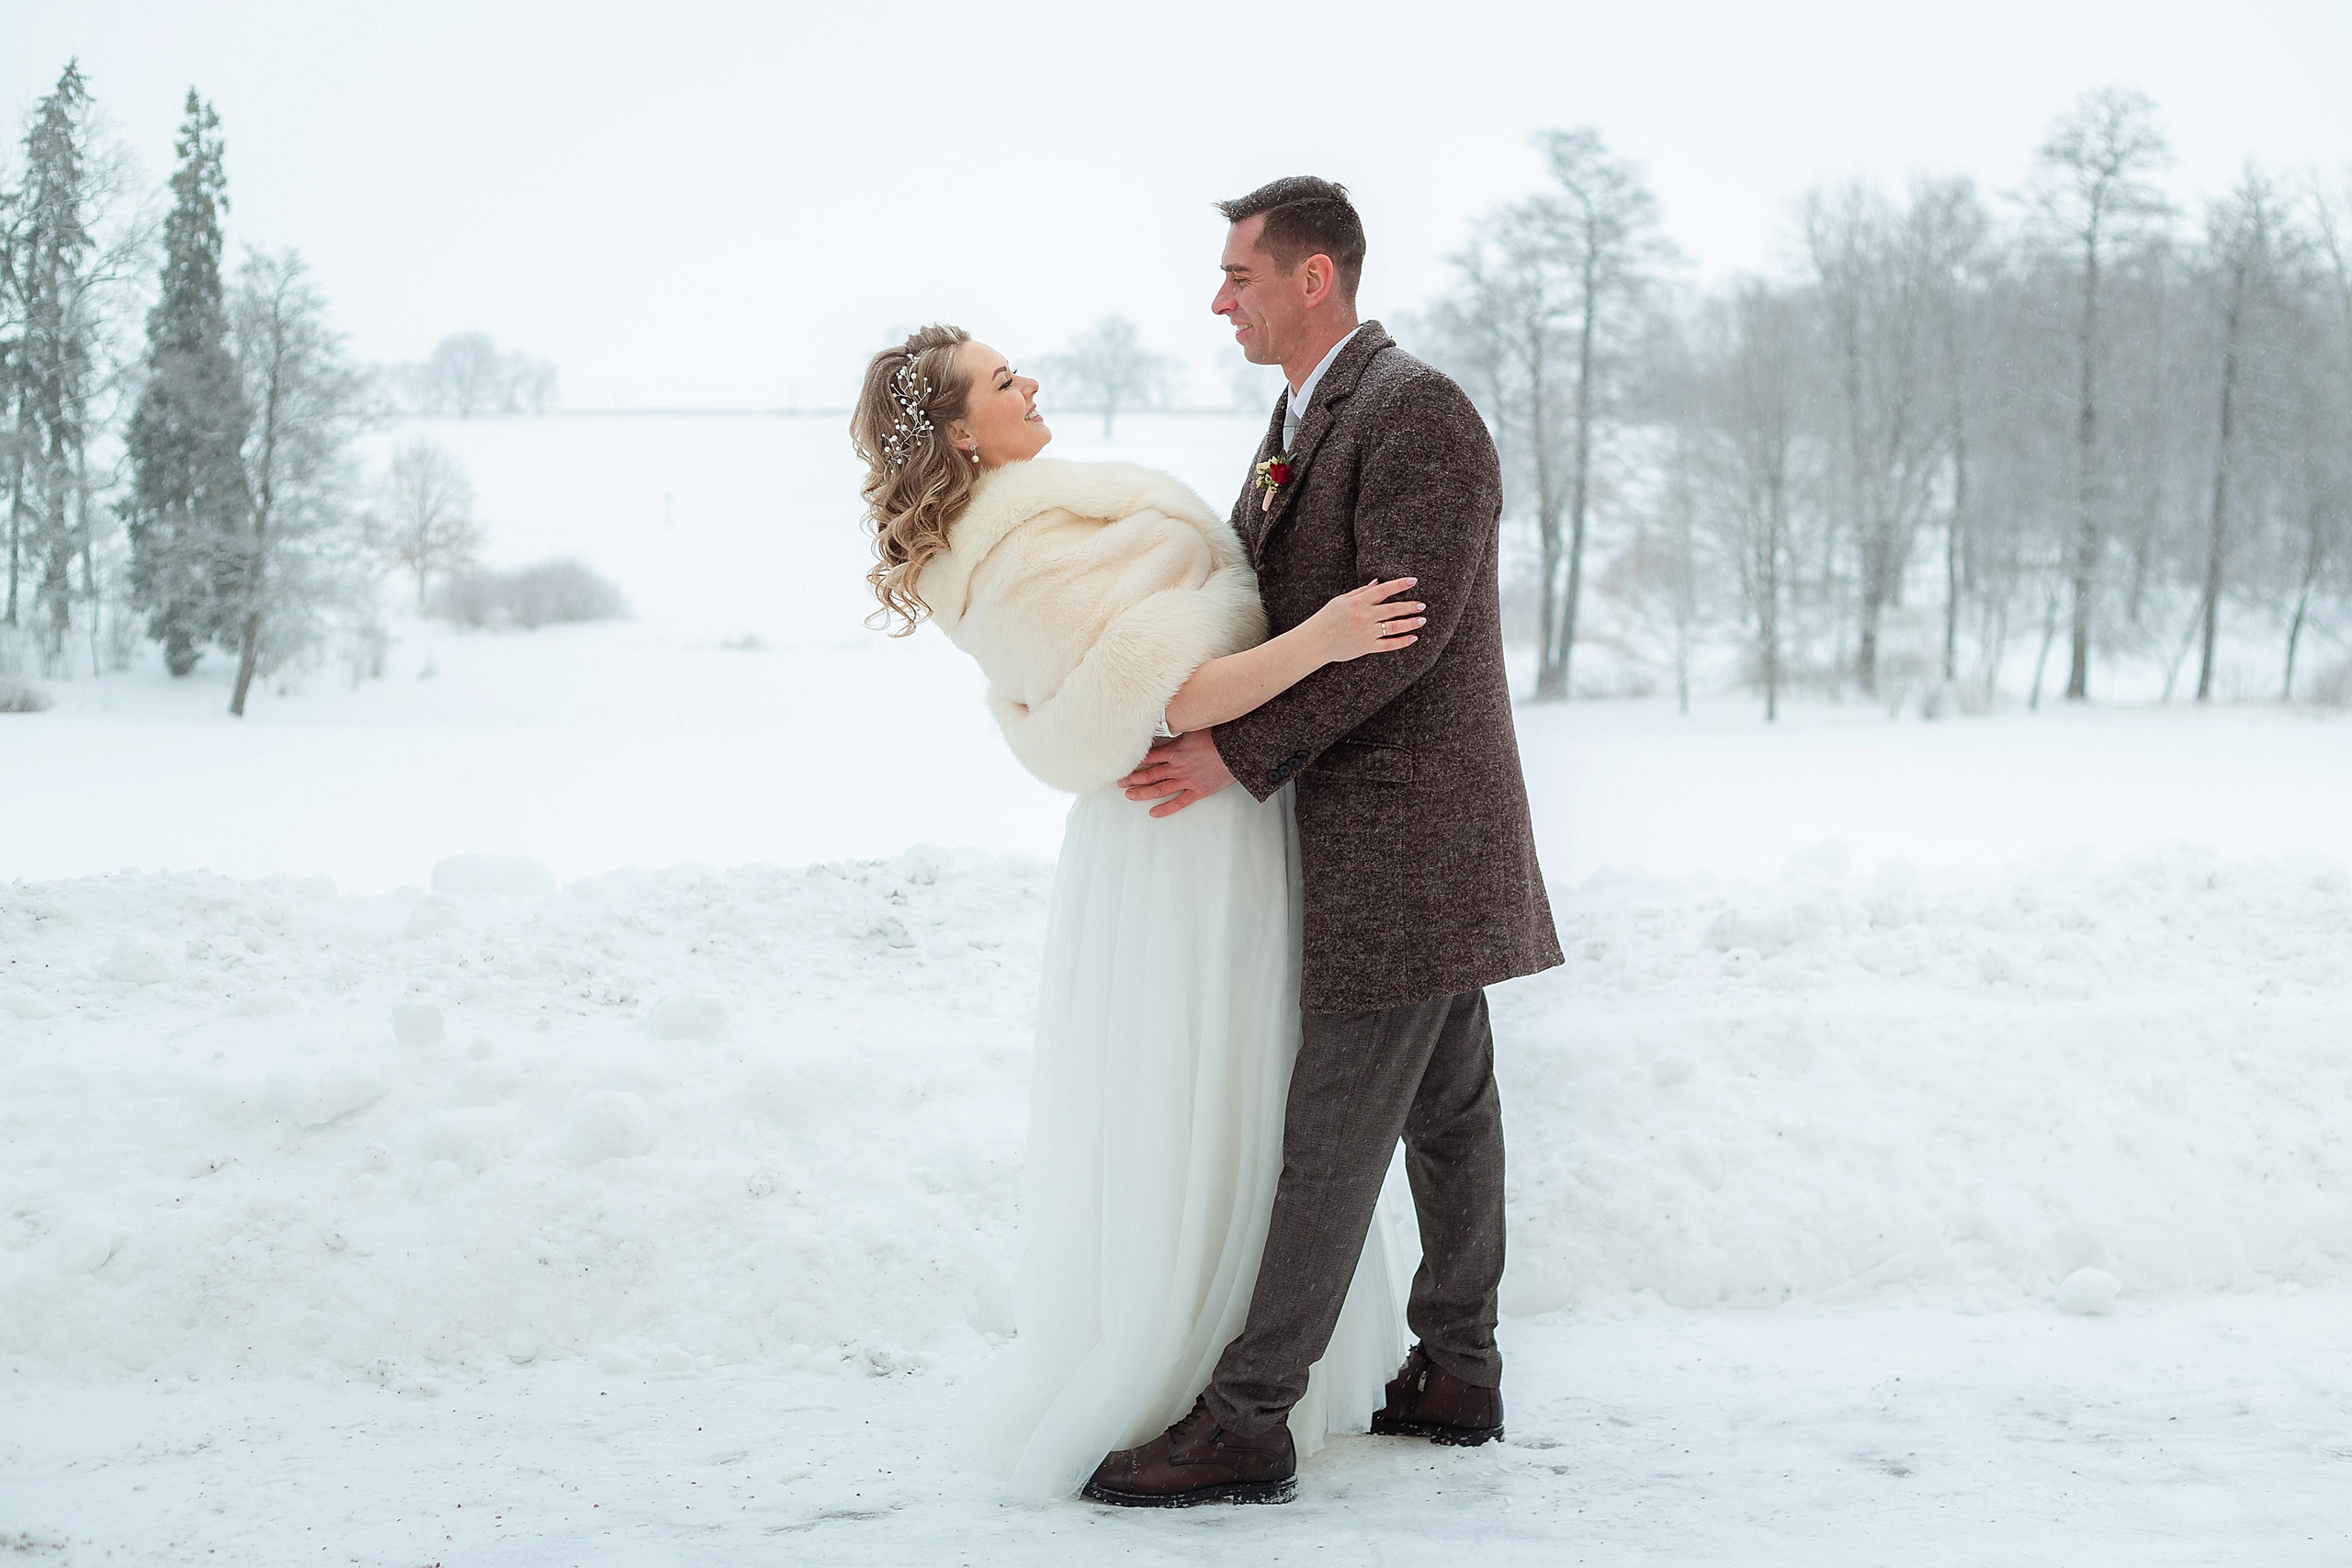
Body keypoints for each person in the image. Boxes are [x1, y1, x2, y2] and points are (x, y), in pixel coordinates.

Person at [850, 323, 1425, 1501]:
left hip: (1222, 811)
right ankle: (1188, 1379)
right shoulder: (1003, 554)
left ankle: (1266, 1374)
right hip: (1184, 831)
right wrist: (1326, 637)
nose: (1029, 382)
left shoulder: (1049, 510)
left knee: (1251, 1078)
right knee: (1200, 1079)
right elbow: (1172, 693)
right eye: (1001, 380)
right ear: (959, 432)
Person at [1089, 176, 1564, 1507]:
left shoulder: (1417, 412)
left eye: (1238, 275)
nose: (1218, 300)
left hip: (1410, 831)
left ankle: (1250, 1418)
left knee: (1334, 1129)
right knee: (1450, 1105)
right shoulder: (1305, 415)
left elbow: (1399, 636)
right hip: (1374, 829)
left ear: (1315, 278)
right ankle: (1457, 1367)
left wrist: (1234, 754)